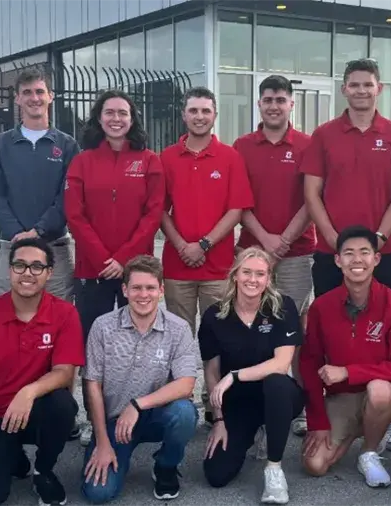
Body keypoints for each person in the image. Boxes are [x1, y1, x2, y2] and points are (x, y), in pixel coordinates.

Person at [301, 58, 391, 448]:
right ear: (344, 89)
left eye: (368, 84)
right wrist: (334, 241)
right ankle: (323, 409)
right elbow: (312, 193)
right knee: (328, 336)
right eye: (354, 84)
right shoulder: (324, 135)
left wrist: (377, 240)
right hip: (329, 254)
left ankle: (387, 411)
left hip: (384, 253)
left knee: (386, 337)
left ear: (379, 88)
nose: (361, 90)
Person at [65, 89, 165, 446]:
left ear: (132, 118)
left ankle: (135, 412)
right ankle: (95, 418)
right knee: (94, 345)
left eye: (123, 113)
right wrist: (102, 258)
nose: (116, 119)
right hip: (91, 270)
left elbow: (153, 213)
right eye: (109, 112)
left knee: (137, 342)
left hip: (135, 270)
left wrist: (123, 260)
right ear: (99, 118)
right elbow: (74, 215)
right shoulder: (82, 162)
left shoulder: (150, 161)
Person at [0, 238, 84, 506]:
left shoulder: (65, 314)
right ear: (10, 269)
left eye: (37, 266)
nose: (27, 273)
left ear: (49, 272)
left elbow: (64, 372)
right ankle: (12, 456)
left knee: (63, 405)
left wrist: (28, 392)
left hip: (36, 410)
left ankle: (43, 471)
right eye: (20, 265)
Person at [159, 86, 254, 423]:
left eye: (205, 111)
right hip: (177, 267)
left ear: (214, 115)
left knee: (218, 336)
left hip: (217, 266)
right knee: (179, 337)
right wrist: (182, 246)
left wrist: (202, 245)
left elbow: (236, 209)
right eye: (193, 110)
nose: (199, 116)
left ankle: (215, 401)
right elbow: (160, 209)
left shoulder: (230, 157)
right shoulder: (166, 158)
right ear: (183, 115)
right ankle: (180, 400)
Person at [298, 225, 391, 487]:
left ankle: (369, 452)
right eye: (349, 253)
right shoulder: (322, 307)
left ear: (376, 259)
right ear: (338, 260)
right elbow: (309, 363)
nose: (357, 259)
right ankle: (356, 429)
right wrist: (318, 421)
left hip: (383, 393)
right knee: (314, 465)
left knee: (379, 391)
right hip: (341, 398)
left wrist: (348, 372)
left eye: (364, 252)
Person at [232, 75, 314, 438]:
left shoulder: (308, 145)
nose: (274, 106)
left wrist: (282, 243)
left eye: (281, 99)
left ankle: (295, 404)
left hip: (297, 255)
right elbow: (238, 200)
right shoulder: (242, 146)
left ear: (291, 104)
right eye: (268, 99)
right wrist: (266, 243)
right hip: (251, 251)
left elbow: (312, 200)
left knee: (291, 330)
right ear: (259, 104)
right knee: (251, 328)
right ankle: (251, 403)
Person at [80, 255, 199, 503]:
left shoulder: (178, 328)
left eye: (150, 288)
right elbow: (92, 385)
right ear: (124, 290)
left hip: (156, 414)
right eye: (136, 288)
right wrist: (102, 441)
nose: (143, 295)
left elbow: (186, 383)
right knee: (98, 493)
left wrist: (137, 405)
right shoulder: (103, 326)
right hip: (115, 421)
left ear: (161, 290)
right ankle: (109, 448)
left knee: (185, 413)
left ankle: (165, 465)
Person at [200, 247, 305, 504]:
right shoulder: (215, 315)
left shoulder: (283, 307)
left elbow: (281, 363)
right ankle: (255, 430)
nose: (253, 279)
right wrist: (219, 420)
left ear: (268, 279)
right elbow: (211, 372)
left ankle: (274, 468)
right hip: (240, 403)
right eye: (246, 272)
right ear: (235, 275)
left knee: (276, 382)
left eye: (260, 274)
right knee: (216, 474)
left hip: (278, 397)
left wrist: (234, 376)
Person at [0, 67, 81, 301]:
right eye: (27, 92)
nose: (34, 98)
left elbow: (67, 197)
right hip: (12, 246)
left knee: (57, 315)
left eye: (39, 91)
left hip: (55, 248)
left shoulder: (67, 146)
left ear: (51, 96)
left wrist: (39, 231)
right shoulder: (0, 145)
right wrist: (19, 234)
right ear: (17, 98)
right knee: (9, 315)